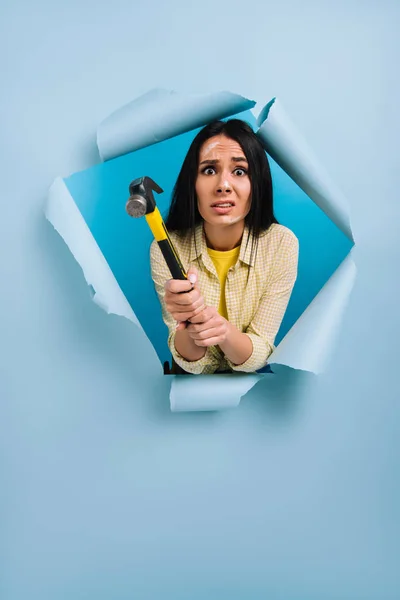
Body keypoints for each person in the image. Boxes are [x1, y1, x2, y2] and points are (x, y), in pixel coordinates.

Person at [150, 119, 298, 375]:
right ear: (192, 183)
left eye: (239, 171)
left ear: (257, 183)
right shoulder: (166, 247)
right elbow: (188, 360)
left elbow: (260, 351)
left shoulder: (282, 244)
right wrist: (187, 324)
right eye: (209, 170)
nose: (223, 185)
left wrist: (223, 332)